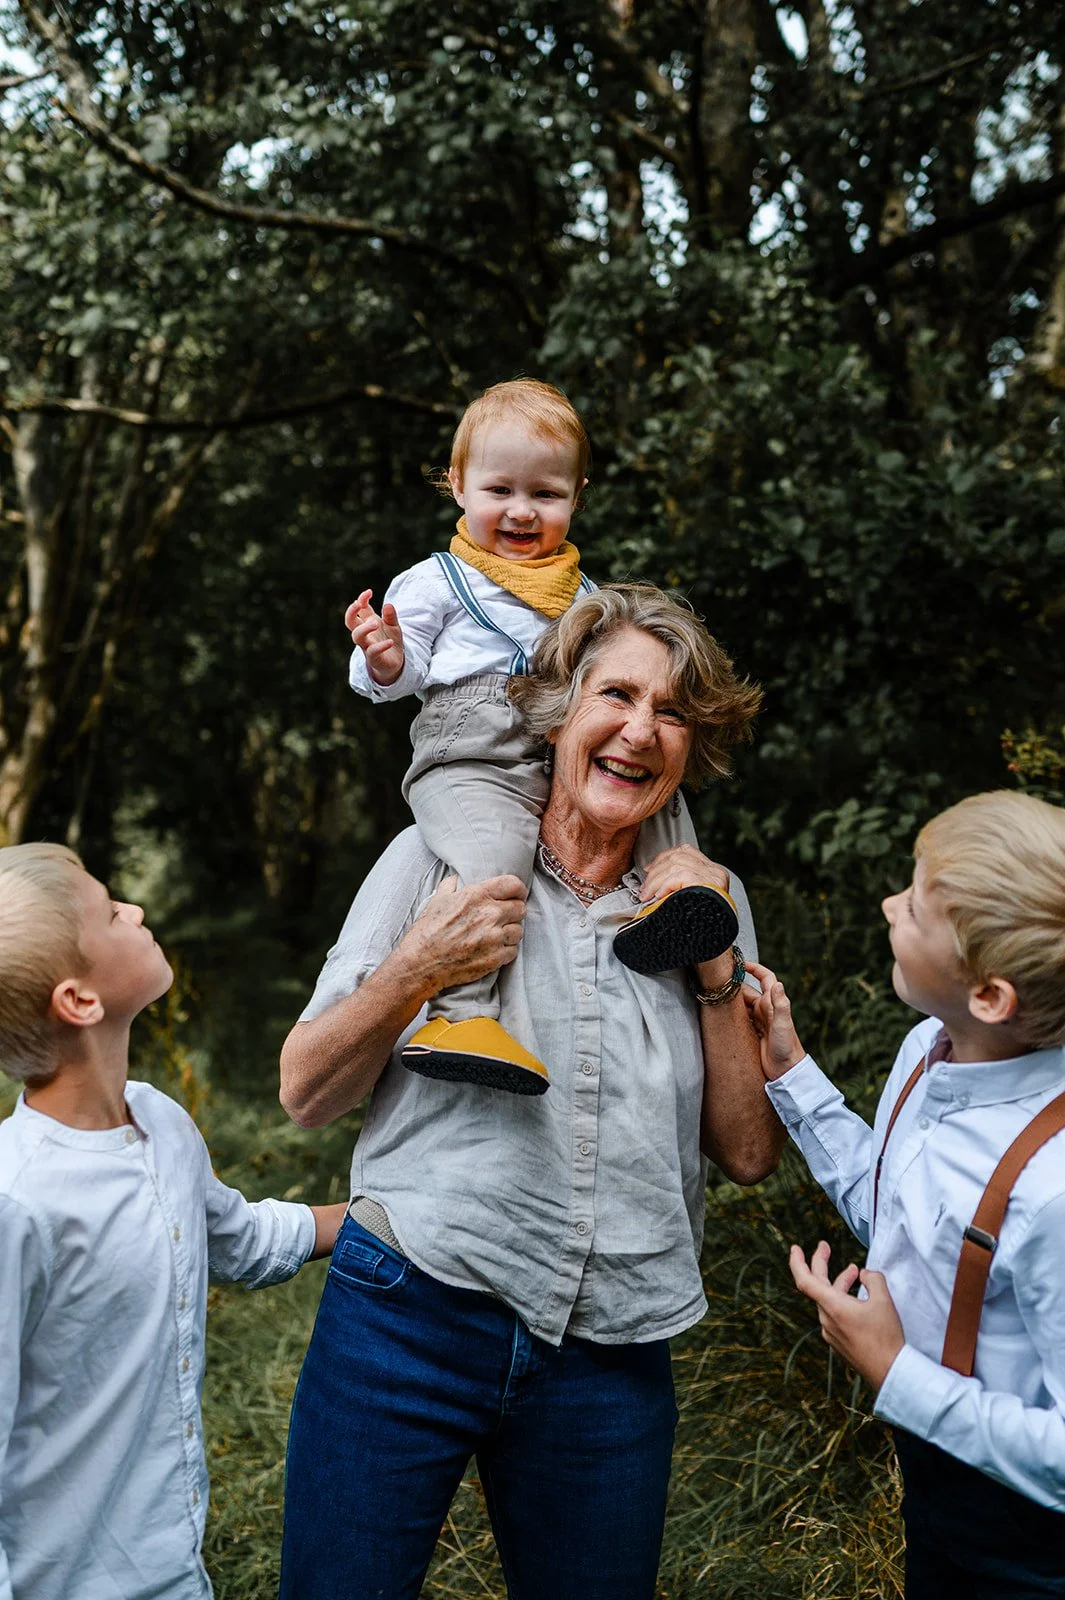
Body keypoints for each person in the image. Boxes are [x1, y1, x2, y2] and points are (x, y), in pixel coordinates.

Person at [278, 583, 783, 1600]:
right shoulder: (435, 861)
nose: (641, 730)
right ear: (560, 711)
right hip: (408, 1315)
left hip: (614, 1350)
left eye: (674, 712)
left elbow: (747, 1152)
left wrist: (717, 964)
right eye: (618, 695)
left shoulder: (705, 898)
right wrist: (419, 967)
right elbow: (305, 1091)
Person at [345, 379, 739, 1094]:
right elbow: (392, 682)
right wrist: (386, 657)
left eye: (546, 495)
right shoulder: (437, 581)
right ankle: (459, 1013)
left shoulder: (584, 596)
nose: (522, 512)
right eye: (500, 490)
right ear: (458, 486)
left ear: (577, 496)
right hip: (471, 753)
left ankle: (665, 911)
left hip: (554, 741)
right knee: (497, 859)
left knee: (660, 806)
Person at [0, 843, 348, 1600]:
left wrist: (379, 1217)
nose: (137, 909)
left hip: (169, 1563)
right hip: (58, 1582)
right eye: (110, 910)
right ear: (80, 1001)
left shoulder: (160, 1120)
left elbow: (242, 1240)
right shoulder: (16, 1202)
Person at [746, 791, 1065, 1598]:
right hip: (941, 1504)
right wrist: (790, 1073)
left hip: (1034, 1556)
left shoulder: (1055, 1187)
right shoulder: (930, 1047)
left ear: (990, 995)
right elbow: (910, 1221)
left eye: (916, 906)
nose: (889, 903)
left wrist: (892, 1370)